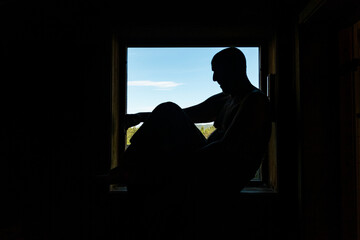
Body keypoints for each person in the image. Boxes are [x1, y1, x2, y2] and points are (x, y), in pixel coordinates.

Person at [106, 47, 271, 189]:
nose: (214, 78)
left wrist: (176, 165)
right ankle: (128, 168)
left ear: (233, 69)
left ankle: (127, 169)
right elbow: (186, 114)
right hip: (207, 164)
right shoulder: (227, 98)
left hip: (221, 174)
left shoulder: (255, 100)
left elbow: (226, 147)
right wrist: (141, 116)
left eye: (217, 71)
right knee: (168, 110)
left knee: (167, 117)